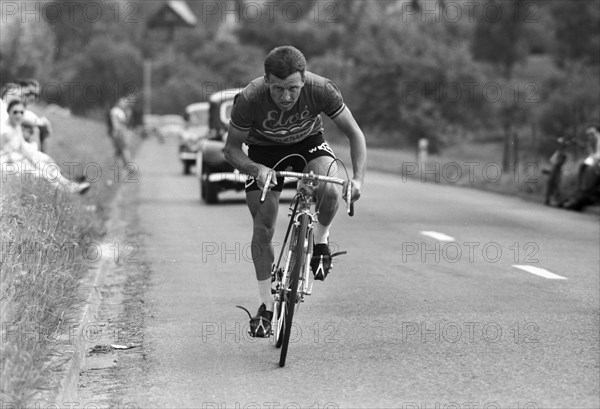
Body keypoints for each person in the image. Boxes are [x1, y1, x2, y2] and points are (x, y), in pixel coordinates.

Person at [224, 46, 367, 337]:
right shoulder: (250, 98)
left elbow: (355, 134)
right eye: (278, 89)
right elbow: (230, 149)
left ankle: (321, 240)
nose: (286, 97)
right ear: (266, 81)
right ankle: (265, 305)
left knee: (330, 186)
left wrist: (358, 180)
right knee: (263, 226)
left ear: (304, 80)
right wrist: (255, 169)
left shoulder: (321, 89)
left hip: (308, 142)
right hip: (263, 150)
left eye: (293, 88)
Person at [1, 100, 90, 194]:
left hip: (19, 157)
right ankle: (68, 189)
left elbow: (22, 146)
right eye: (15, 112)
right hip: (8, 163)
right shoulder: (4, 131)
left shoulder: (17, 126)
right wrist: (26, 159)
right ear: (8, 112)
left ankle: (71, 185)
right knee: (42, 171)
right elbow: (5, 154)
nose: (18, 115)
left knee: (45, 164)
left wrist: (31, 157)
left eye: (21, 112)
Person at [563, 125, 600, 211]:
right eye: (588, 134)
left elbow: (597, 156)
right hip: (594, 166)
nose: (590, 136)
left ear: (598, 132)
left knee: (588, 170)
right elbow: (591, 157)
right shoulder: (591, 143)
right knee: (583, 167)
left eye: (592, 134)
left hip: (596, 166)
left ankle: (582, 194)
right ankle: (579, 193)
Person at [109, 95, 137, 168]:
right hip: (120, 132)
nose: (125, 104)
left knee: (120, 150)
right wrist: (128, 115)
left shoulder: (119, 111)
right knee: (124, 148)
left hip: (119, 132)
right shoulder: (116, 110)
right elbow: (123, 122)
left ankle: (118, 165)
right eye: (123, 102)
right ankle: (129, 166)